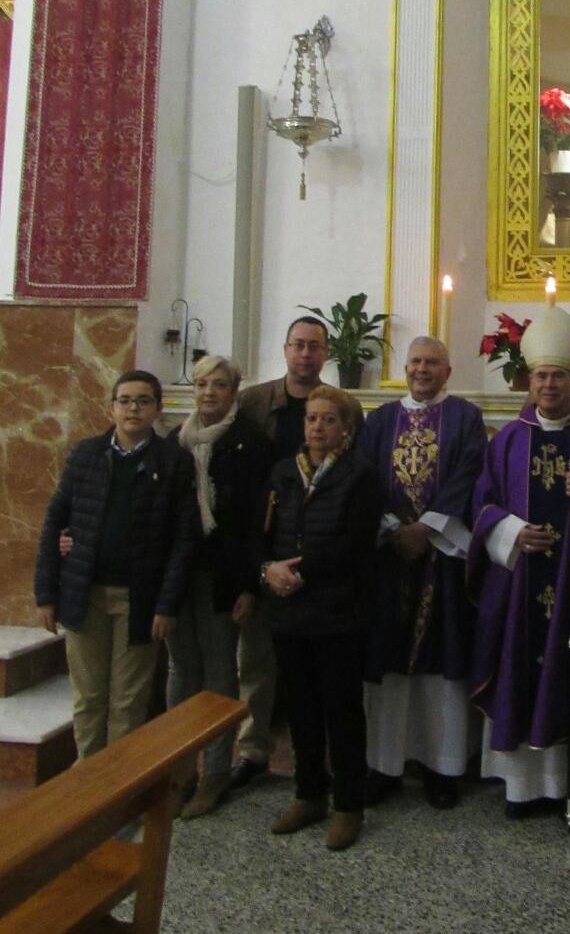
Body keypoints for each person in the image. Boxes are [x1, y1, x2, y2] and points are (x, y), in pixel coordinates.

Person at [468, 306, 570, 815]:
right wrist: (512, 532)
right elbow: (483, 503)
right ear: (529, 381)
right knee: (521, 670)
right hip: (521, 583)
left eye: (558, 376)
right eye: (541, 376)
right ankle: (524, 788)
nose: (548, 385)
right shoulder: (509, 439)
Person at [34, 370, 197, 759]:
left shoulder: (173, 461)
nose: (133, 409)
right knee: (88, 699)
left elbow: (183, 540)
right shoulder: (86, 455)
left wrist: (167, 605)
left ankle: (119, 788)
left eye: (143, 401)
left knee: (127, 704)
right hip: (84, 593)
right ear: (112, 407)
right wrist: (45, 594)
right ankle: (88, 785)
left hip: (138, 598)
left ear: (157, 409)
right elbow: (55, 521)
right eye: (124, 400)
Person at [232, 315, 363, 791]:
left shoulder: (343, 408)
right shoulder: (253, 403)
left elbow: (354, 495)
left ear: (326, 353)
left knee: (323, 686)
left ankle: (326, 772)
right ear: (286, 349)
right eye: (298, 345)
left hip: (323, 574)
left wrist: (304, 568)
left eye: (314, 346)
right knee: (257, 665)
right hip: (266, 549)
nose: (305, 354)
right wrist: (262, 567)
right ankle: (253, 753)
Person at [361, 336, 486, 810]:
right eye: (415, 361)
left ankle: (442, 766)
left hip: (443, 555)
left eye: (432, 362)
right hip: (390, 555)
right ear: (404, 368)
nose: (422, 369)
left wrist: (426, 528)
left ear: (447, 371)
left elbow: (469, 473)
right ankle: (385, 765)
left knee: (441, 661)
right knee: (388, 662)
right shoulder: (380, 420)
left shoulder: (465, 418)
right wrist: (395, 529)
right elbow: (366, 477)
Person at [262, 385, 380, 851]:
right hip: (289, 612)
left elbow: (355, 545)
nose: (318, 427)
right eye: (312, 418)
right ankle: (308, 794)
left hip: (339, 612)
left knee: (341, 710)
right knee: (301, 708)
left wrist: (297, 571)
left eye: (329, 419)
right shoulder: (282, 472)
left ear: (346, 428)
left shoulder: (361, 475)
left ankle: (349, 805)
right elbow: (263, 534)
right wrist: (267, 571)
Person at [165, 355, 273, 818]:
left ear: (235, 391)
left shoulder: (251, 443)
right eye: (202, 384)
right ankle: (179, 772)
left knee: (219, 672)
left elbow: (255, 523)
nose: (209, 393)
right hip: (178, 573)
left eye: (220, 385)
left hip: (222, 575)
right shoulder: (176, 441)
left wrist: (249, 585)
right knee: (180, 670)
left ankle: (214, 774)